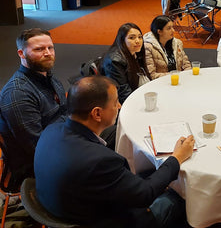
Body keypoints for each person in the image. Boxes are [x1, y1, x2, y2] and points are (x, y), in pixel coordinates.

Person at [34, 76, 194, 228]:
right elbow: (145, 194)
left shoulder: (51, 130)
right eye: (115, 102)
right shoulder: (100, 161)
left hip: (62, 205)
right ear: (97, 113)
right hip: (105, 221)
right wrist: (177, 157)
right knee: (182, 196)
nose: (119, 106)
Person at [0, 28, 67, 189]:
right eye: (39, 49)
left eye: (50, 48)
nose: (48, 53)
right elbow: (38, 148)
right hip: (37, 164)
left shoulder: (48, 76)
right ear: (21, 54)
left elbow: (64, 112)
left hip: (61, 139)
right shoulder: (18, 94)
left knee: (110, 133)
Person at [102, 23, 150, 104]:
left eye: (140, 37)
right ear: (122, 40)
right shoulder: (115, 61)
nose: (137, 41)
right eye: (132, 38)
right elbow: (123, 92)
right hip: (119, 103)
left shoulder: (135, 52)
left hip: (136, 92)